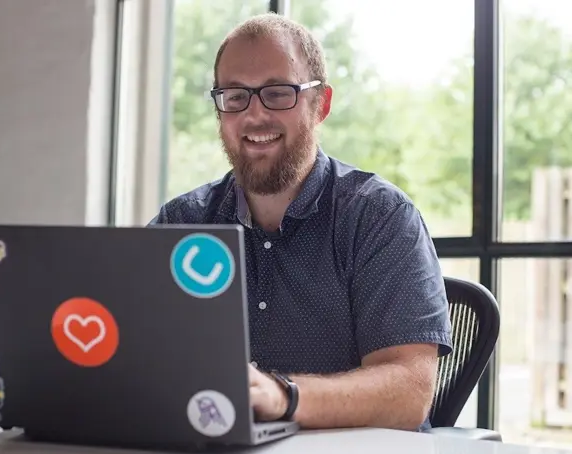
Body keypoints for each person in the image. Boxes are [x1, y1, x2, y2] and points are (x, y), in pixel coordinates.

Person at [148, 12, 453, 432]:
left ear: (320, 104)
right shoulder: (180, 223)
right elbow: (132, 357)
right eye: (235, 96)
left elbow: (409, 392)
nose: (254, 116)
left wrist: (282, 396)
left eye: (277, 93)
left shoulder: (378, 217)